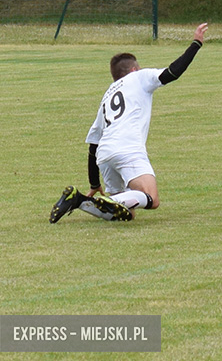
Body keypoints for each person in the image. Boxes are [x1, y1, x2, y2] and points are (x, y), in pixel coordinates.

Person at [49, 23, 209, 224]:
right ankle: (108, 200)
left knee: (126, 214)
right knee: (152, 199)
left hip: (104, 155)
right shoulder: (138, 77)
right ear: (134, 69)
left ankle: (79, 201)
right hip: (128, 149)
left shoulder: (107, 96)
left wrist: (94, 183)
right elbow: (172, 72)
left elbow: (93, 145)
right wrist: (196, 44)